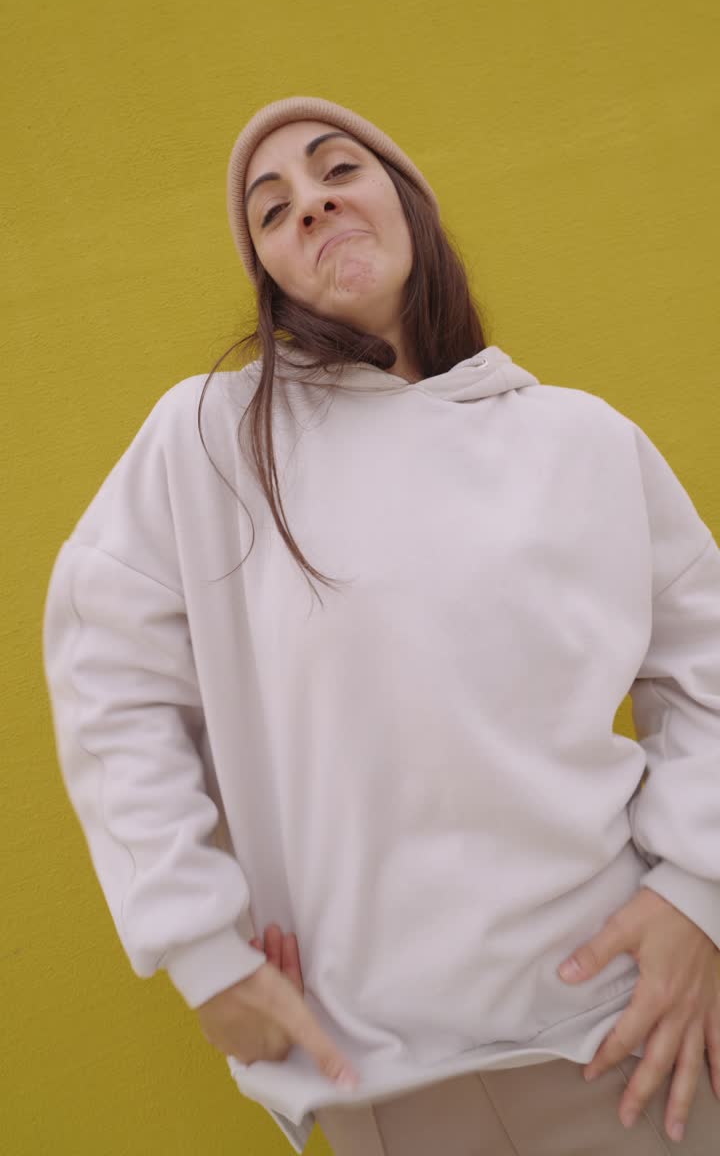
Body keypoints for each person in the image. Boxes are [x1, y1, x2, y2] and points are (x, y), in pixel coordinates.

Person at [41, 95, 720, 1155]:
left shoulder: (583, 440)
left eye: (335, 170)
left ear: (406, 201)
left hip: (629, 1045)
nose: (310, 204)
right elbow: (106, 678)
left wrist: (696, 892)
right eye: (272, 210)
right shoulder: (215, 438)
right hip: (386, 1079)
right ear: (270, 272)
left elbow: (707, 669)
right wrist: (200, 950)